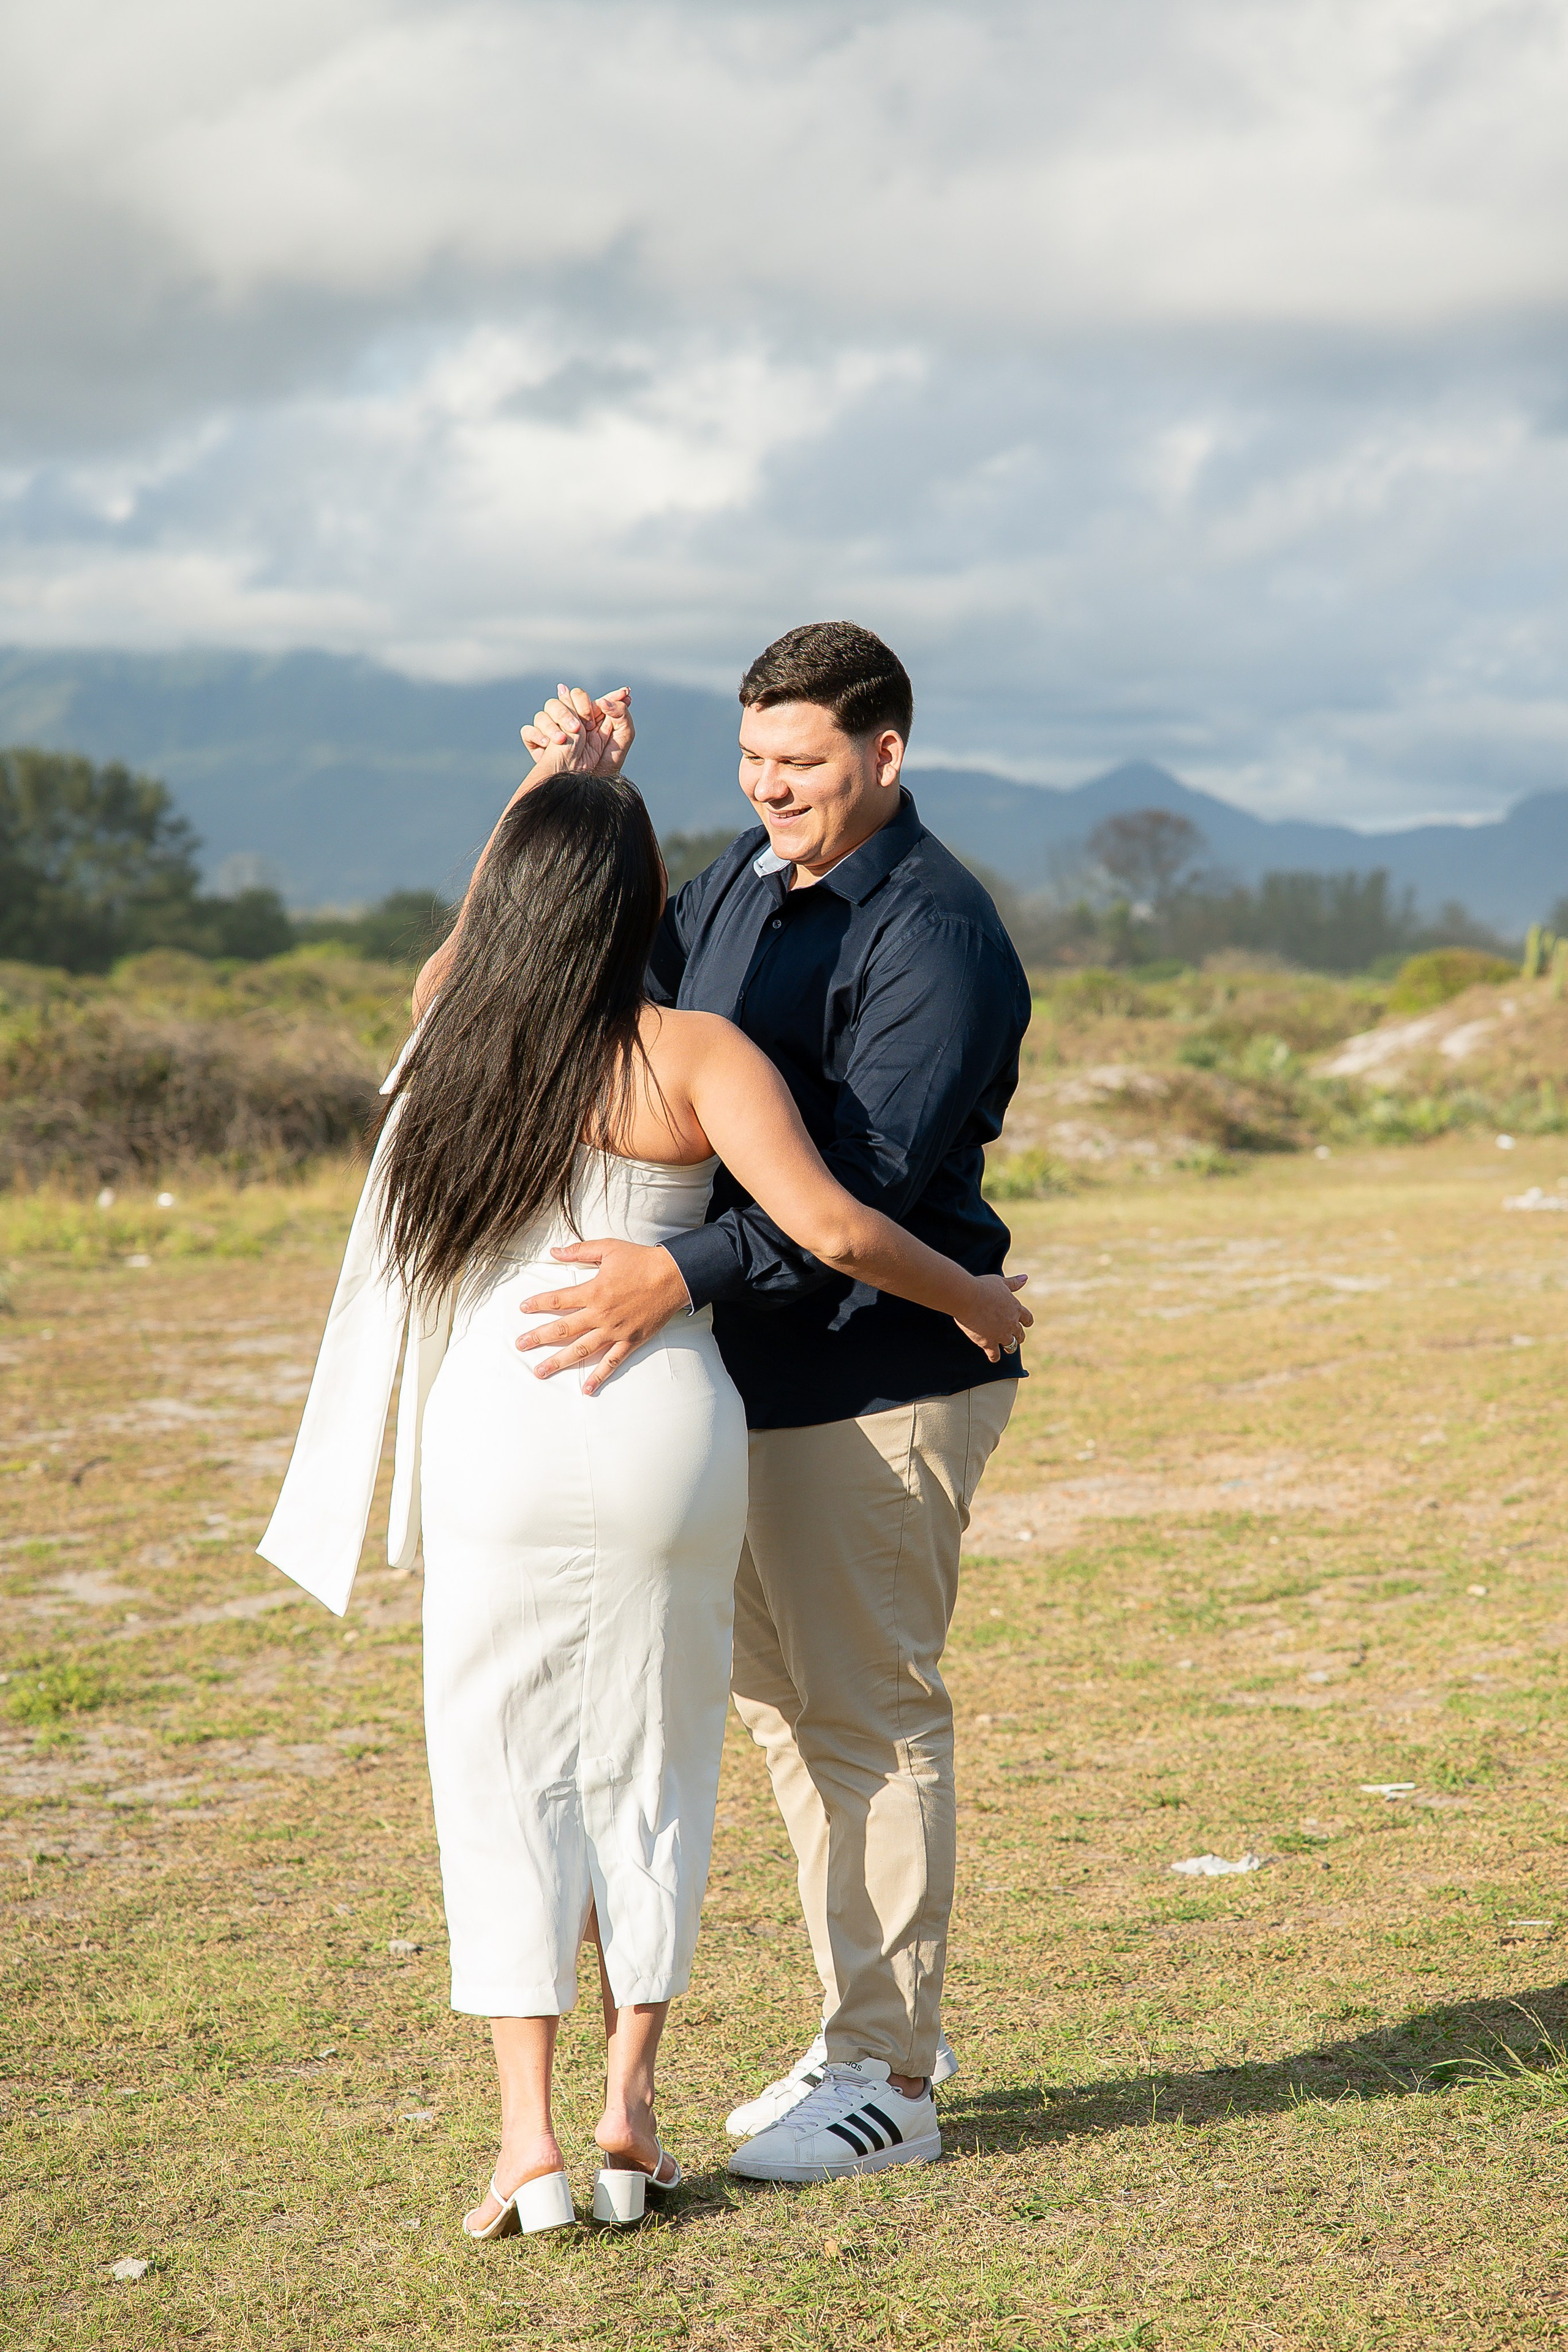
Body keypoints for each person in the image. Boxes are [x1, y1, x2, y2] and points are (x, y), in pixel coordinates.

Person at [258, 710, 1031, 2238]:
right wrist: (972, 1298)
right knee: (658, 1757)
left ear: (504, 902)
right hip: (665, 1433)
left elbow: (476, 938)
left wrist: (547, 792)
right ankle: (628, 2125)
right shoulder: (692, 1052)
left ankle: (527, 2149)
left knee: (497, 1772)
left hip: (495, 1431)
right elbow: (828, 1226)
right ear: (639, 912)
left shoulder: (448, 1039)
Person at [514, 620, 1032, 2183]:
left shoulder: (933, 931)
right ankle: (856, 2025)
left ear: (886, 753)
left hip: (877, 1375)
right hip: (740, 1387)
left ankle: (893, 2077)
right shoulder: (738, 884)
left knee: (869, 1715)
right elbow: (617, 1023)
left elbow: (864, 1186)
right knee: (789, 1724)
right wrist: (566, 800)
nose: (770, 788)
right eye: (749, 762)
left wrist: (671, 1280)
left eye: (799, 763)